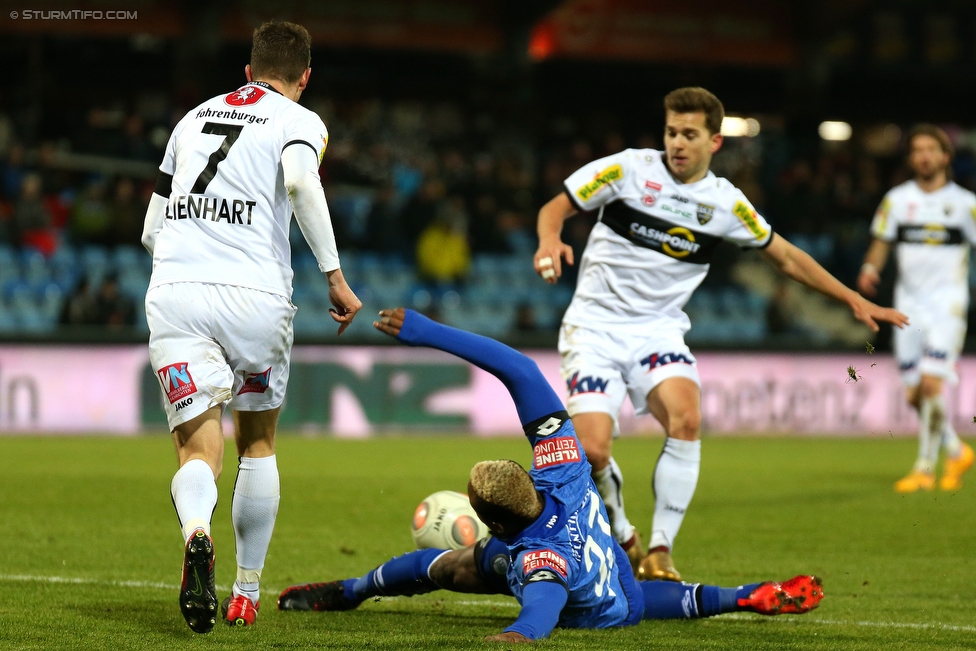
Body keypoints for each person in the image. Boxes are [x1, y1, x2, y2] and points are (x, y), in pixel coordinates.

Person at [532, 87, 908, 582]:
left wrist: (853, 299)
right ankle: (625, 534)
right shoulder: (625, 170)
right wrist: (549, 240)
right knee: (594, 451)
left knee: (686, 420)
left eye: (690, 134)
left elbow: (787, 257)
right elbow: (554, 207)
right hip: (594, 330)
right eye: (671, 132)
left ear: (715, 142)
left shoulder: (725, 204)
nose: (677, 143)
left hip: (658, 332)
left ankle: (662, 550)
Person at [276, 308, 824, 643]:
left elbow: (542, 608)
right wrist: (427, 331)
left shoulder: (539, 559)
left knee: (452, 568)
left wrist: (518, 635)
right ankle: (747, 593)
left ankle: (350, 591)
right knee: (659, 596)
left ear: (493, 519)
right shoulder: (561, 464)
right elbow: (520, 369)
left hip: (602, 605)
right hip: (602, 555)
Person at [140, 21, 361, 634]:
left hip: (177, 292)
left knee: (196, 448)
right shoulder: (299, 120)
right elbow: (299, 181)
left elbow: (151, 231)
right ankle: (244, 591)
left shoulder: (190, 120)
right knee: (257, 441)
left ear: (247, 70)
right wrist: (334, 275)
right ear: (304, 77)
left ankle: (196, 532)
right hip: (255, 298)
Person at [857, 124, 976, 493]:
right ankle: (957, 450)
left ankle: (925, 469)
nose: (924, 156)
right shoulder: (897, 199)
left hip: (947, 305)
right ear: (912, 158)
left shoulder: (965, 204)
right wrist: (869, 268)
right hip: (907, 306)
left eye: (931, 149)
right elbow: (882, 239)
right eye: (917, 150)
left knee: (929, 384)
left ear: (945, 157)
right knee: (913, 394)